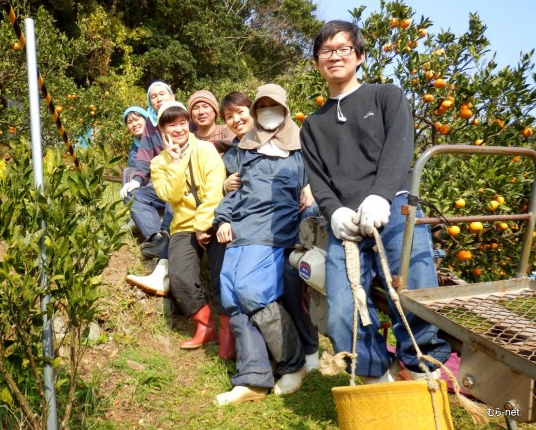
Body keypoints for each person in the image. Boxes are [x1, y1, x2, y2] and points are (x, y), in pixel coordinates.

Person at [299, 20, 451, 384]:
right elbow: (318, 181)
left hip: (394, 209)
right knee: (342, 309)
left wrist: (380, 197)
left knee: (414, 292)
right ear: (318, 62)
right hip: (347, 226)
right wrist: (334, 213)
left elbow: (400, 151)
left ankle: (421, 370)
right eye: (326, 51)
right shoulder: (312, 126)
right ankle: (373, 376)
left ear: (360, 56)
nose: (334, 57)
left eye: (342, 49)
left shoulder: (387, 96)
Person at [213, 84, 308, 406]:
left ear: (284, 108)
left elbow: (316, 188)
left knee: (252, 291)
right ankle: (253, 378)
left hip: (272, 232)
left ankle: (294, 363)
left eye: (274, 106)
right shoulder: (244, 151)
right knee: (231, 296)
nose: (268, 112)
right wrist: (222, 219)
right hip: (240, 228)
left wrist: (311, 195)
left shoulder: (300, 149)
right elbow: (233, 193)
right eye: (262, 106)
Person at [150, 101, 231, 356]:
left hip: (215, 219)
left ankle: (230, 333)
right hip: (183, 226)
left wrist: (202, 225)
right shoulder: (159, 163)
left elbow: (215, 190)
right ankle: (205, 325)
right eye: (171, 124)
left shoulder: (206, 149)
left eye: (183, 123)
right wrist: (175, 162)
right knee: (180, 276)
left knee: (223, 277)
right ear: (162, 129)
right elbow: (169, 195)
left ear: (189, 124)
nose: (178, 129)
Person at [124, 82, 176, 296]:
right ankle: (155, 237)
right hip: (159, 183)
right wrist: (136, 179)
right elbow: (144, 158)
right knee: (132, 193)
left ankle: (167, 236)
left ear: (172, 95)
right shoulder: (151, 127)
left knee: (176, 192)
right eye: (153, 96)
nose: (158, 99)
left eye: (162, 94)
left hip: (183, 182)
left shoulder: (182, 117)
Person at [187, 90, 233, 155]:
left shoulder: (227, 129)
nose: (201, 112)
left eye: (205, 106)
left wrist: (211, 145)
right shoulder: (188, 137)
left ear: (215, 112)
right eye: (196, 108)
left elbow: (234, 141)